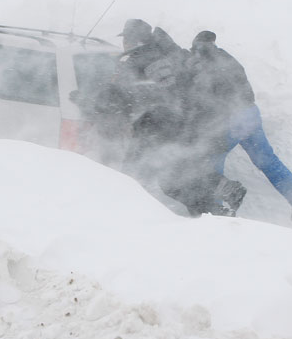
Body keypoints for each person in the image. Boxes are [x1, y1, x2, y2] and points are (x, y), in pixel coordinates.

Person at [86, 19, 247, 217]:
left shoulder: (136, 60)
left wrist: (85, 100)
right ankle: (218, 204)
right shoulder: (167, 52)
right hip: (182, 119)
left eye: (126, 38)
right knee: (177, 174)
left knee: (134, 173)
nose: (124, 43)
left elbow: (117, 95)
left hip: (153, 125)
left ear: (134, 40)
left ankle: (122, 215)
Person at [186, 31, 292, 220]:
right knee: (267, 160)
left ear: (198, 46)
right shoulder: (228, 59)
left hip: (231, 120)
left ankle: (216, 213)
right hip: (250, 114)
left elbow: (207, 100)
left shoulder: (203, 64)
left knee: (211, 162)